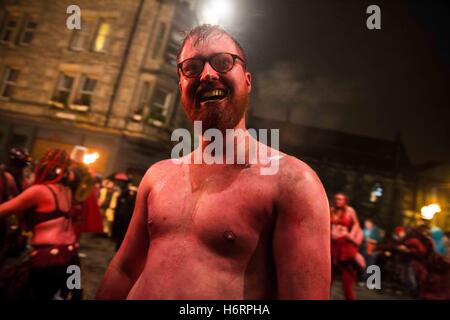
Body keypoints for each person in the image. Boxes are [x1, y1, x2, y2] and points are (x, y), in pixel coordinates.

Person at [96, 25, 330, 300]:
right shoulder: (157, 176)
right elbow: (124, 270)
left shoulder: (293, 182)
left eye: (222, 62)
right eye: (192, 67)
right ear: (182, 85)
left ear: (247, 80)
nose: (207, 74)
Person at [0, 149, 81, 300]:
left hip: (48, 261)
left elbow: (3, 210)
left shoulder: (39, 191)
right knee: (68, 296)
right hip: (72, 259)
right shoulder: (67, 191)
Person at [330, 192, 365, 300]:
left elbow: (356, 224)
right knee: (328, 276)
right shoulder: (331, 210)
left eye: (340, 199)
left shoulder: (350, 211)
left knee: (348, 276)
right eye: (336, 199)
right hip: (332, 244)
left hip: (344, 244)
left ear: (345, 201)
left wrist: (351, 235)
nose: (338, 201)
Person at [111, 172, 137, 251]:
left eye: (121, 182)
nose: (119, 183)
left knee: (123, 234)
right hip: (119, 215)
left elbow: (131, 205)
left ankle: (120, 248)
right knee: (119, 233)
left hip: (126, 217)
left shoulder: (131, 192)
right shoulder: (121, 192)